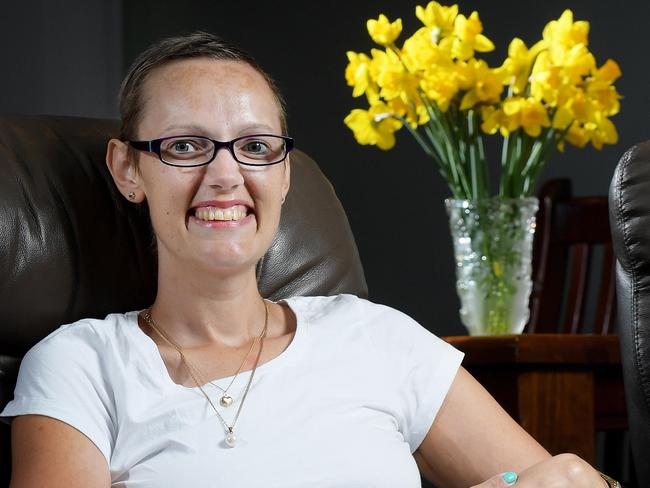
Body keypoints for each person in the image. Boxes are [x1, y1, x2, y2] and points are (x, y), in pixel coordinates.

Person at [1, 32, 617, 488]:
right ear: (127, 169)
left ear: (285, 172)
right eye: (185, 146)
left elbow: (548, 477)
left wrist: (580, 480)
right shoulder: (80, 365)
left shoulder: (377, 338)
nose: (225, 175)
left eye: (255, 146)